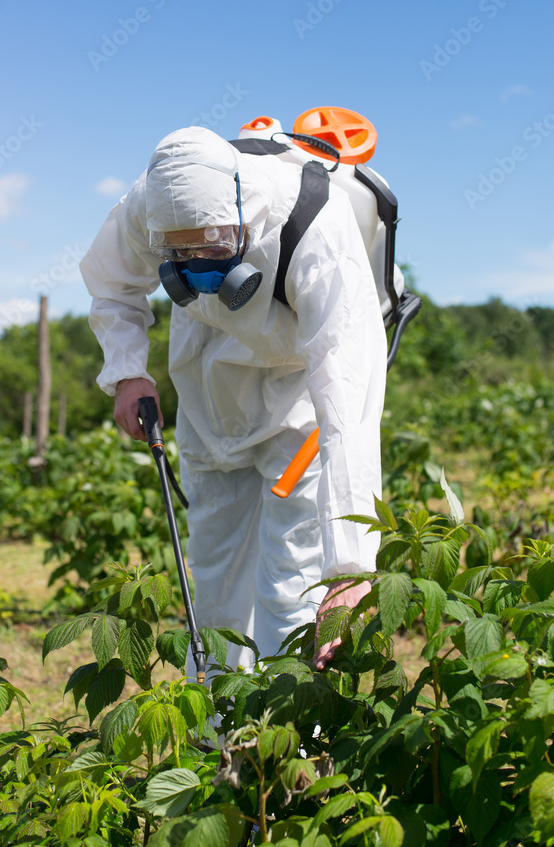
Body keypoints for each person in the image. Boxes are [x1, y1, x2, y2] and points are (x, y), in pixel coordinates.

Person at [80, 125, 387, 671]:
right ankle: (217, 719)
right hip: (207, 389)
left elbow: (347, 398)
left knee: (292, 577)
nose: (198, 260)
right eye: (181, 252)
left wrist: (349, 568)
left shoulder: (317, 226)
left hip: (299, 396)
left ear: (243, 208)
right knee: (215, 573)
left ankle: (288, 717)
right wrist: (127, 372)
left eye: (213, 246)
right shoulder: (146, 204)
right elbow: (112, 282)